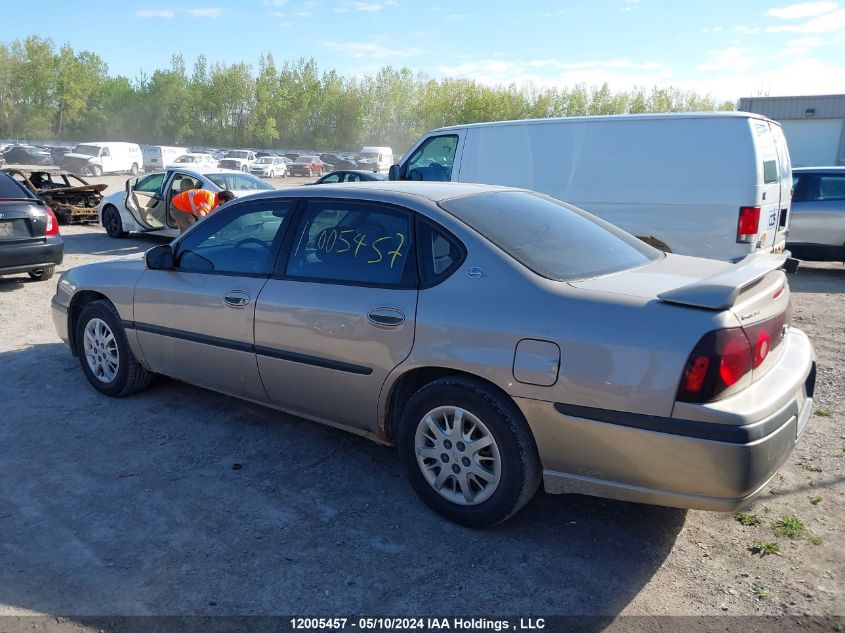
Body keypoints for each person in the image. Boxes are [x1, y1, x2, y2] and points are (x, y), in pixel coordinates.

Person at [171, 187, 235, 233]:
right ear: (223, 200)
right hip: (177, 208)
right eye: (226, 203)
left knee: (188, 229)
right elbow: (201, 214)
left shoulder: (214, 197)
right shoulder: (210, 200)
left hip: (180, 206)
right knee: (190, 232)